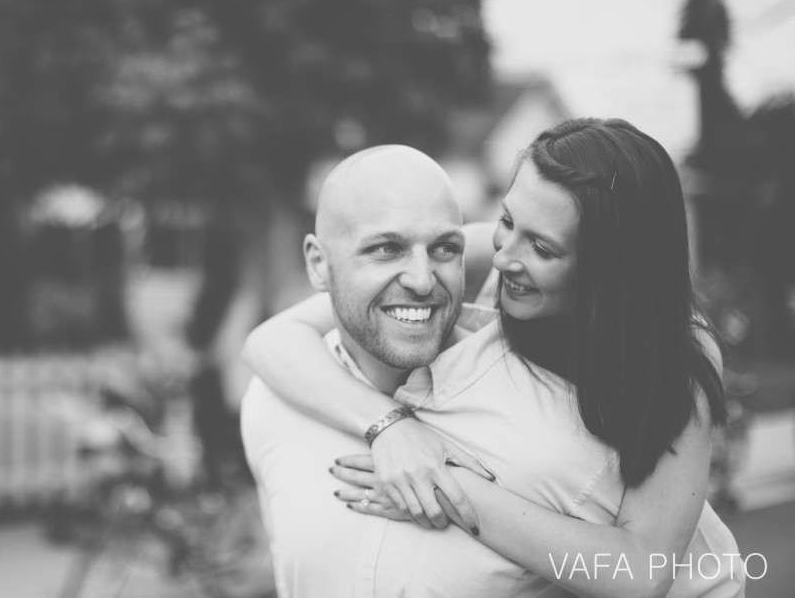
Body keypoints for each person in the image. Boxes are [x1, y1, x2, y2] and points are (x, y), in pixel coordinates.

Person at [243, 118, 744, 597]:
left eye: (543, 249)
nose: (503, 259)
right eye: (507, 219)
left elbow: (641, 573)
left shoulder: (674, 361)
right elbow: (275, 339)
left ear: (608, 271)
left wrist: (443, 484)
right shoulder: (487, 255)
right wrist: (389, 426)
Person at [241, 145, 571, 597]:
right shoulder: (271, 402)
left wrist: (474, 503)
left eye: (444, 249)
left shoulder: (548, 413)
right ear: (319, 264)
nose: (421, 279)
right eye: (386, 248)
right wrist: (388, 424)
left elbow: (662, 571)